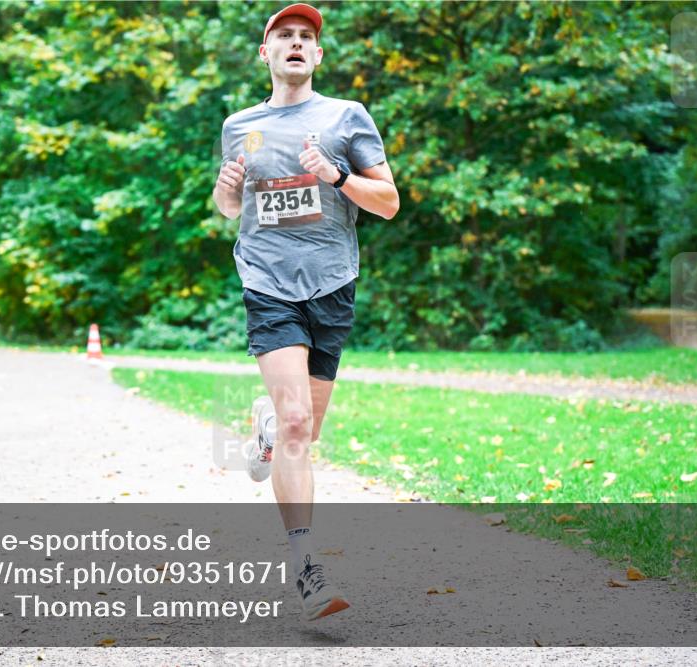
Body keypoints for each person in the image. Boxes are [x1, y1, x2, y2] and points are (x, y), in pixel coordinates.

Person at [213, 3, 399, 621]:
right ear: (265, 53)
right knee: (299, 424)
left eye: (305, 38)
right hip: (267, 281)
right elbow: (229, 206)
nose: (295, 43)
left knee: (303, 431)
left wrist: (337, 176)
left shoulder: (347, 117)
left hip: (332, 283)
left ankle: (267, 428)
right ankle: (306, 569)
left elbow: (389, 202)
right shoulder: (240, 125)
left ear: (317, 55)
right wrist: (227, 190)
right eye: (284, 36)